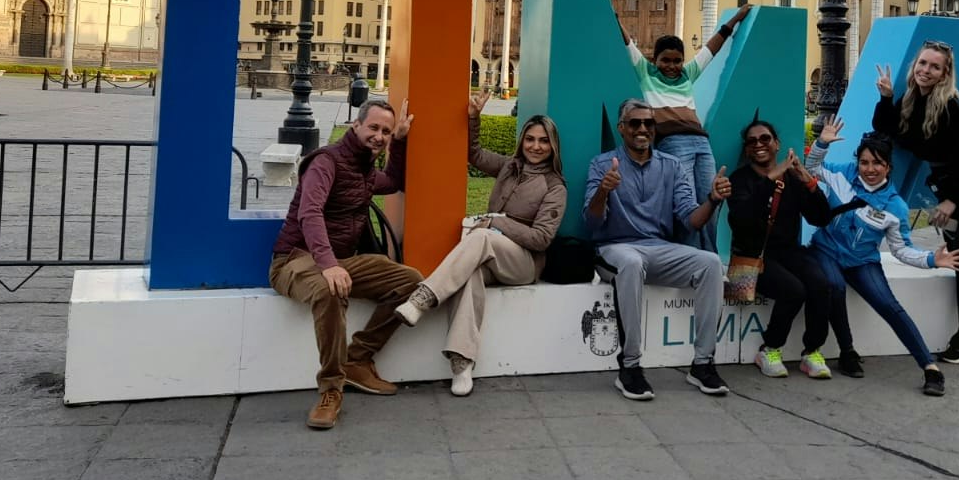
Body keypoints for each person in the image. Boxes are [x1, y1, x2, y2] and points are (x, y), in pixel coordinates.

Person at [394, 92, 567, 397]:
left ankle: (423, 298)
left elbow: (541, 238)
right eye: (530, 139)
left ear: (553, 146)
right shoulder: (510, 167)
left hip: (524, 263)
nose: (536, 146)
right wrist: (474, 118)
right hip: (490, 255)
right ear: (522, 141)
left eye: (543, 141)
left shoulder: (555, 186)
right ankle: (462, 362)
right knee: (470, 274)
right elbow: (473, 154)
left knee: (482, 235)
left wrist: (496, 222)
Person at [268, 99, 421, 430]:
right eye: (374, 127)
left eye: (386, 131)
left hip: (340, 261)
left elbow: (393, 182)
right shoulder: (326, 162)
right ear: (356, 125)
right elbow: (310, 212)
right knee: (330, 289)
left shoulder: (365, 170)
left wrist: (400, 141)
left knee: (411, 281)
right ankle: (331, 389)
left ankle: (358, 359)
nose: (379, 136)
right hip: (294, 260)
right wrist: (328, 264)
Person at [805, 122, 959, 397]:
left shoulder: (895, 206)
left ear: (888, 167)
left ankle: (930, 367)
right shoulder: (842, 173)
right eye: (864, 162)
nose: (869, 169)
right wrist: (822, 143)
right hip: (826, 251)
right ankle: (847, 352)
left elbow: (901, 249)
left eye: (877, 163)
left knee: (889, 306)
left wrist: (932, 259)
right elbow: (812, 168)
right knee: (834, 286)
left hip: (862, 261)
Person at [585, 98, 731, 401]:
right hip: (614, 248)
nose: (643, 129)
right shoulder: (602, 164)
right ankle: (630, 367)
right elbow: (593, 221)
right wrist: (603, 191)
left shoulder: (672, 165)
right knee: (630, 262)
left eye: (649, 123)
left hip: (659, 248)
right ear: (621, 128)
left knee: (710, 262)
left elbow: (691, 220)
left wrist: (713, 200)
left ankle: (703, 364)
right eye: (635, 123)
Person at [873, 40, 959, 364]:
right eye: (922, 64)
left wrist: (951, 200)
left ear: (945, 74)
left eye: (934, 66)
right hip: (948, 189)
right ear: (915, 66)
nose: (926, 71)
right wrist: (886, 97)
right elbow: (888, 130)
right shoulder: (911, 100)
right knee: (957, 257)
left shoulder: (951, 108)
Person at [620, 3, 752, 251]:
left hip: (702, 143)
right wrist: (615, 18)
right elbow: (628, 45)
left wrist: (736, 19)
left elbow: (711, 49)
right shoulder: (646, 73)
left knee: (711, 200)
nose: (671, 66)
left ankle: (709, 256)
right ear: (654, 60)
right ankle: (689, 255)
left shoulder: (688, 74)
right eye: (665, 60)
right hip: (673, 143)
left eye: (677, 61)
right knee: (686, 202)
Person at [723, 118, 845, 381]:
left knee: (820, 284)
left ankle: (812, 351)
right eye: (752, 141)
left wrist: (808, 181)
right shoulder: (740, 180)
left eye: (765, 138)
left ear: (776, 144)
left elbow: (821, 218)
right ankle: (770, 349)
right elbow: (742, 220)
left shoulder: (791, 178)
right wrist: (771, 178)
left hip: (788, 251)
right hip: (753, 256)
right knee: (793, 290)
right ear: (746, 150)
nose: (759, 144)